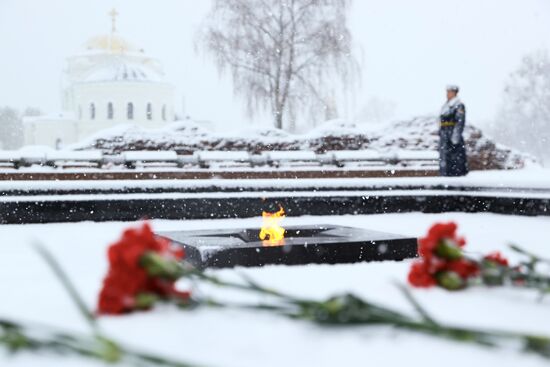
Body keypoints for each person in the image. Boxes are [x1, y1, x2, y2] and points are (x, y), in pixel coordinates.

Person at [439, 85, 468, 176]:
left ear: (454, 93)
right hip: (445, 135)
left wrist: (455, 138)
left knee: (455, 159)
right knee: (445, 158)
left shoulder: (458, 105)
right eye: (447, 92)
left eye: (449, 92)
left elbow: (460, 122)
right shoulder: (446, 105)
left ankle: (456, 177)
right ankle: (446, 175)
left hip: (452, 135)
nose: (447, 94)